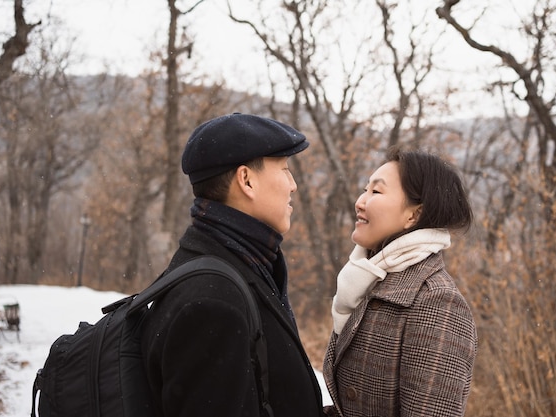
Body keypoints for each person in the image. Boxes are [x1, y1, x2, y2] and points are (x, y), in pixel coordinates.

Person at [141, 113, 324, 417]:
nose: (293, 185)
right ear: (246, 180)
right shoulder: (212, 302)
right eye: (285, 170)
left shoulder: (237, 265)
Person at [322, 146, 477, 417]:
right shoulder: (367, 282)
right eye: (365, 189)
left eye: (376, 192)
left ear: (414, 215)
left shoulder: (437, 303)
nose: (360, 201)